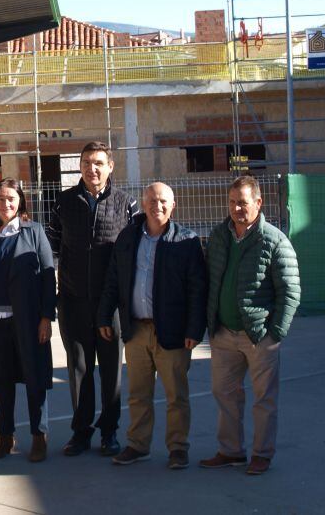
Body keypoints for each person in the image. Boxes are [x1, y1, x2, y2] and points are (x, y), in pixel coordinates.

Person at [98, 183, 208, 470]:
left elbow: (198, 290)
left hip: (172, 332)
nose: (156, 206)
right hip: (135, 330)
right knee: (138, 394)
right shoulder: (128, 237)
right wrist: (104, 315)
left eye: (162, 201)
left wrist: (194, 330)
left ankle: (178, 448)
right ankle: (138, 445)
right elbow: (113, 280)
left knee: (176, 396)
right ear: (143, 204)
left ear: (173, 205)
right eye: (151, 201)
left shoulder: (186, 241)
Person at [199, 175, 301, 476]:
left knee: (264, 399)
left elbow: (291, 291)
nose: (236, 209)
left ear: (258, 203)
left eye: (242, 203)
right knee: (224, 394)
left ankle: (262, 454)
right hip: (223, 334)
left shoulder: (274, 240)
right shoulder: (219, 236)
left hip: (259, 336)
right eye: (231, 202)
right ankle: (231, 451)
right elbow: (210, 278)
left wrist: (275, 334)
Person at [45, 142, 137, 457]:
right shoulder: (63, 202)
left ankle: (109, 432)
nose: (92, 169)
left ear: (110, 166)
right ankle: (81, 433)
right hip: (73, 302)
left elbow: (135, 253)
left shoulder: (127, 204)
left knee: (111, 371)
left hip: (111, 305)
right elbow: (53, 248)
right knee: (79, 369)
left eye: (98, 163)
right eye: (86, 163)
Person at [0, 179, 56, 463]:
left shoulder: (34, 232)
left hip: (29, 322)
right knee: (3, 382)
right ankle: (5, 437)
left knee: (35, 379)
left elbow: (47, 277)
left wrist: (46, 318)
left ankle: (39, 436)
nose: (7, 204)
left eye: (12, 199)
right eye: (1, 198)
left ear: (21, 202)